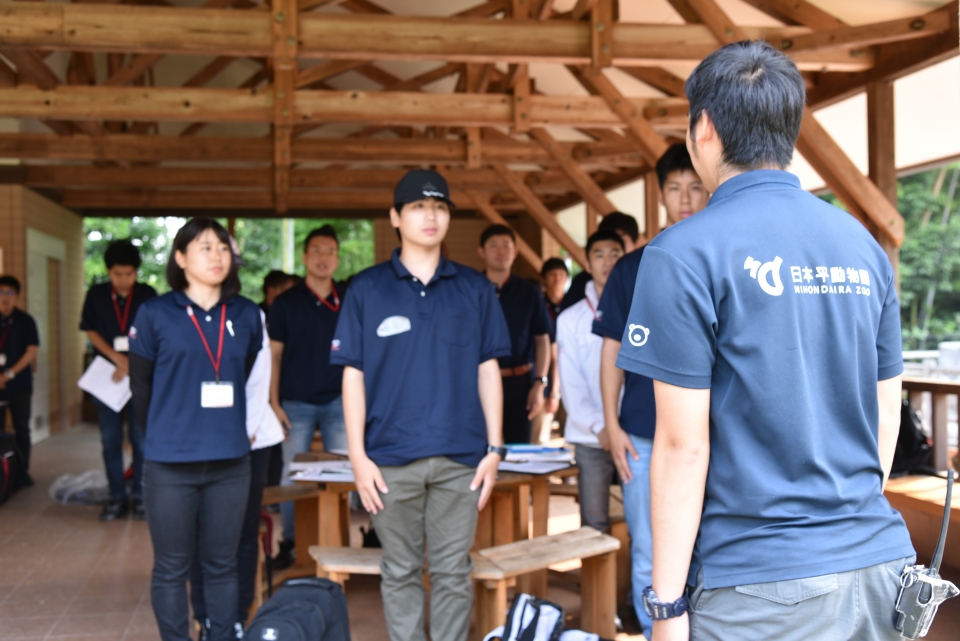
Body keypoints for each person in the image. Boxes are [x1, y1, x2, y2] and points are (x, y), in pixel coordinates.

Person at [617, 41, 914, 641]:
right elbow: (887, 410)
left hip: (757, 585)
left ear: (704, 128)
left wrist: (667, 607)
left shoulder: (680, 254)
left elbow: (680, 448)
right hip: (879, 564)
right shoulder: (861, 245)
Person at [332, 169, 510, 641]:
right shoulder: (366, 289)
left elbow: (487, 368)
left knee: (453, 571)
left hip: (462, 458)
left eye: (439, 207)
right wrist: (357, 455)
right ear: (395, 216)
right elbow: (354, 374)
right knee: (401, 568)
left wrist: (495, 448)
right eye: (417, 207)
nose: (429, 216)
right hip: (389, 458)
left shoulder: (475, 289)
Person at [592, 141, 708, 636]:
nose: (685, 198)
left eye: (695, 187)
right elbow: (610, 353)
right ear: (660, 195)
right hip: (641, 433)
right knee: (650, 545)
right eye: (674, 188)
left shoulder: (720, 256)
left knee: (710, 544)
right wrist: (612, 424)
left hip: (710, 435)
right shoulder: (633, 267)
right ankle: (651, 631)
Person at [129, 218, 263, 641]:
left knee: (221, 564)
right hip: (170, 464)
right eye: (205, 247)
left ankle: (221, 634)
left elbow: (246, 373)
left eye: (223, 247)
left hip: (230, 461)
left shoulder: (246, 314)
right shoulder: (154, 314)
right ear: (181, 258)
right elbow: (142, 386)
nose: (217, 255)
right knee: (171, 566)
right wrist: (167, 433)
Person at [190, 306, 285, 639]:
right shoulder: (174, 311)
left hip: (251, 437)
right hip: (199, 439)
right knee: (201, 535)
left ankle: (238, 616)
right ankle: (206, 620)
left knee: (243, 533)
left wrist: (241, 430)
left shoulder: (249, 313)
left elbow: (260, 375)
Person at [267, 225, 347, 570]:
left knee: (346, 472)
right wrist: (273, 402)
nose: (322, 257)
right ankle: (291, 542)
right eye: (316, 251)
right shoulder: (286, 302)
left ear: (337, 258)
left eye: (329, 251)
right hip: (295, 402)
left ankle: (340, 543)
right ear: (304, 257)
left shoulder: (348, 299)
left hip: (340, 401)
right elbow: (273, 356)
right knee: (292, 474)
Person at [79, 239, 157, 521]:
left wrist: (132, 362)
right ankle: (116, 496)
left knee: (140, 440)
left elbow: (155, 334)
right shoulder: (97, 294)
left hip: (139, 376)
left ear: (136, 272)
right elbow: (90, 330)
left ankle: (140, 495)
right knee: (110, 439)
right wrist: (117, 358)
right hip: (108, 376)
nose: (124, 280)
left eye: (129, 274)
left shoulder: (148, 294)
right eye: (117, 274)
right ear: (108, 271)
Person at [556, 231, 624, 534]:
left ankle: (636, 583)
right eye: (599, 254)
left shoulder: (638, 308)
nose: (607, 261)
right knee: (594, 523)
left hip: (635, 432)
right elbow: (571, 385)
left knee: (642, 518)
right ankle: (596, 584)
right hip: (589, 435)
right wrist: (602, 427)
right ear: (587, 261)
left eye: (615, 254)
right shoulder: (570, 319)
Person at [478, 224, 552, 444]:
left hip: (521, 384)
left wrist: (540, 383)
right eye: (493, 246)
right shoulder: (471, 289)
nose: (500, 251)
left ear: (515, 252)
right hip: (479, 382)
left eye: (506, 246)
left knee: (519, 452)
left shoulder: (530, 292)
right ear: (481, 251)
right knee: (480, 449)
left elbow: (542, 339)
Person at [0, 275, 39, 487]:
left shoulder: (26, 321)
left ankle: (21, 473)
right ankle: (3, 474)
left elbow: (31, 351)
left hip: (19, 384)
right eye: (1, 292)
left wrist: (8, 375)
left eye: (10, 293)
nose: (5, 298)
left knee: (21, 428)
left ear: (17, 296)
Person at [560, 212, 640, 312]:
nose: (608, 261)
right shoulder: (582, 283)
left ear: (635, 244)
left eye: (621, 241)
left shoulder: (647, 281)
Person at [537, 257, 568, 443]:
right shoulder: (538, 304)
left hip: (571, 375)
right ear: (544, 278)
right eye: (552, 274)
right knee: (541, 434)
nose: (557, 278)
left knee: (571, 436)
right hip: (544, 377)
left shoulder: (573, 304)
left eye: (561, 274)